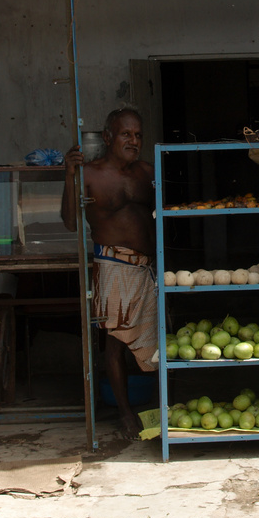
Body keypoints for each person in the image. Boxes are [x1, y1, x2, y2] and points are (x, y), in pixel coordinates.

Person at [62, 108, 156, 440]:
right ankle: (126, 413)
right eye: (126, 134)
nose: (133, 141)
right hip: (113, 265)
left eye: (138, 135)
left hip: (148, 268)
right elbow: (71, 222)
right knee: (115, 342)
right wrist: (69, 175)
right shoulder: (89, 173)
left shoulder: (146, 172)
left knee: (155, 341)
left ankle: (157, 406)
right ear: (107, 138)